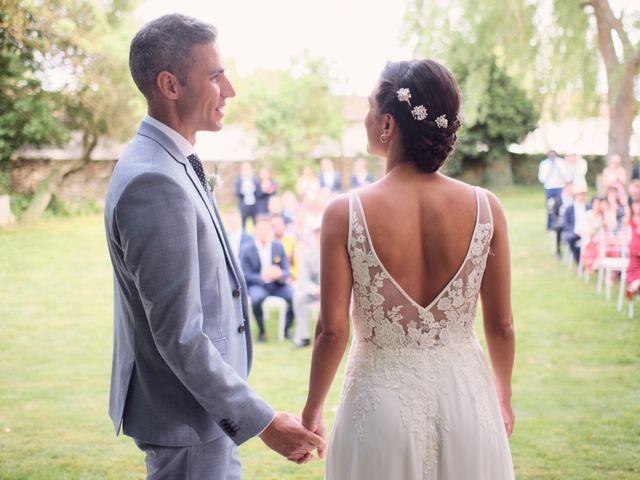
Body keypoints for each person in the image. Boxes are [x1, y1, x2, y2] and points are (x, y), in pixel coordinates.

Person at [103, 14, 323, 479]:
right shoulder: (153, 180)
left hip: (202, 417)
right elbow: (179, 334)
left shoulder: (166, 160)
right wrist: (262, 421)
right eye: (216, 75)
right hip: (187, 421)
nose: (230, 90)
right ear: (170, 85)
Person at [302, 59, 515, 479]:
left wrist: (312, 410)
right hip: (467, 403)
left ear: (387, 124)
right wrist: (503, 397)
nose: (364, 117)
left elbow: (332, 329)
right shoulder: (486, 208)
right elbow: (502, 325)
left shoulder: (345, 213)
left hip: (379, 407)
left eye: (368, 107)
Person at [240, 214, 295, 342]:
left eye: (266, 229)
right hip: (258, 285)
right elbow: (245, 274)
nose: (263, 232)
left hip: (277, 284)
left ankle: (286, 329)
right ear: (255, 230)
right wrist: (262, 277)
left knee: (294, 296)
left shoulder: (278, 246)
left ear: (271, 230)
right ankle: (262, 331)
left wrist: (280, 273)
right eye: (260, 229)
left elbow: (287, 269)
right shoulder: (247, 250)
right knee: (256, 299)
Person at [292, 219, 321, 348]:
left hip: (336, 292)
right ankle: (303, 337)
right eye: (318, 236)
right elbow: (303, 278)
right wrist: (315, 289)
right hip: (316, 291)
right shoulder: (308, 254)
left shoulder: (338, 251)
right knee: (298, 298)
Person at [538, 150, 567, 230]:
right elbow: (542, 179)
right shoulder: (544, 164)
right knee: (550, 208)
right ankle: (550, 226)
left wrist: (557, 166)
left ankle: (560, 225)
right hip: (549, 188)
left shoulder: (561, 162)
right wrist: (550, 168)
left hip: (560, 187)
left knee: (560, 207)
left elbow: (565, 175)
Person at [235, 161, 259, 229]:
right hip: (244, 205)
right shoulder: (239, 180)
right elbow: (237, 193)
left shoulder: (255, 179)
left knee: (256, 223)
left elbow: (258, 192)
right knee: (243, 224)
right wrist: (242, 190)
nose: (246, 170)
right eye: (244, 169)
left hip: (254, 205)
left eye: (248, 168)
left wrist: (254, 188)